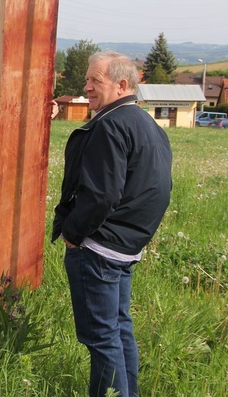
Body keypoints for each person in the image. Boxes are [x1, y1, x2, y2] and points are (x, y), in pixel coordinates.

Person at [53, 50, 172, 397]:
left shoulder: (109, 125)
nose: (86, 87)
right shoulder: (146, 123)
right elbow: (159, 189)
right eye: (87, 79)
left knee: (102, 338)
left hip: (99, 248)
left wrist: (74, 234)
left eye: (95, 81)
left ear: (121, 85)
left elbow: (101, 195)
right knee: (118, 330)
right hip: (125, 247)